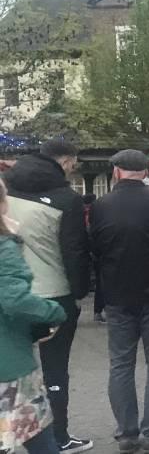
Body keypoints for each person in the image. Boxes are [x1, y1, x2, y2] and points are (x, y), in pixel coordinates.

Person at [1, 139, 93, 454]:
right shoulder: (67, 200)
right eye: (73, 164)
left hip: (11, 295)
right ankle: (59, 436)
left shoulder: (9, 189)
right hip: (54, 294)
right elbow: (74, 253)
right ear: (65, 161)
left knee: (15, 368)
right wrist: (79, 293)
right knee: (55, 370)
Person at [90, 150, 149, 453]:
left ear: (116, 171)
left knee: (120, 364)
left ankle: (127, 433)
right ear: (146, 172)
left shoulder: (102, 206)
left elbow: (96, 248)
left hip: (118, 295)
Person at [0, 176, 69, 454]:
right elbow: (14, 298)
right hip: (9, 363)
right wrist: (54, 312)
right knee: (38, 436)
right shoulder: (3, 248)